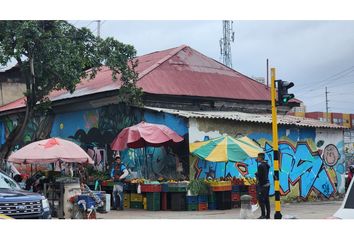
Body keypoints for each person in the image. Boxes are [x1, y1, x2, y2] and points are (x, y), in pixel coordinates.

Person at [255, 152, 271, 219]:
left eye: (258, 157)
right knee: (267, 200)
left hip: (262, 185)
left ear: (260, 158)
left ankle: (263, 215)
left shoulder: (260, 166)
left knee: (261, 201)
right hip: (267, 184)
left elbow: (260, 176)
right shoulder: (266, 165)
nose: (257, 159)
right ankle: (268, 215)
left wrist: (256, 174)